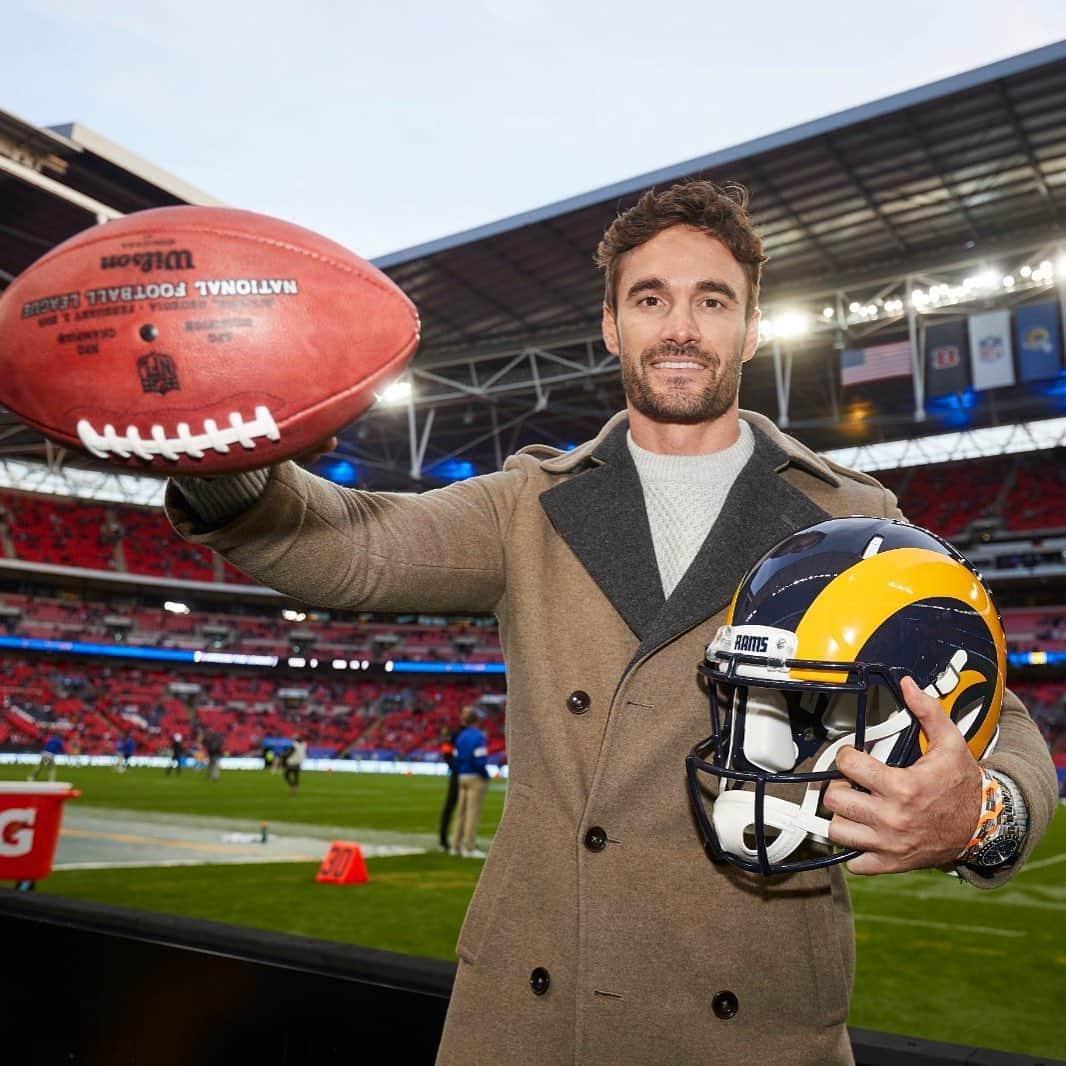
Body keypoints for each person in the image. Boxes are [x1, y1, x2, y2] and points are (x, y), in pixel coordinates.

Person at [165, 180, 1058, 1066]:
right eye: (650, 299)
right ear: (611, 325)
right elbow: (350, 547)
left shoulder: (849, 515)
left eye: (712, 301)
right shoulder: (530, 501)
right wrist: (208, 442)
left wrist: (983, 813)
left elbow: (993, 713)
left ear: (750, 329)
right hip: (531, 1014)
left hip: (755, 1027)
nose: (679, 327)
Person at [450, 705, 489, 858]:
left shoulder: (461, 736)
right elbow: (480, 760)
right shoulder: (479, 736)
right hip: (475, 777)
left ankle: (455, 845)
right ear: (477, 720)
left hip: (462, 776)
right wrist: (485, 775)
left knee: (461, 813)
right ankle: (469, 847)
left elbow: (456, 758)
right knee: (472, 813)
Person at [438, 714, 463, 852]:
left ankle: (463, 841)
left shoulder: (469, 733)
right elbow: (446, 752)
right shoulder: (455, 733)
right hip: (458, 774)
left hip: (464, 773)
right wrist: (455, 768)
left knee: (465, 810)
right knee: (450, 807)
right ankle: (443, 840)